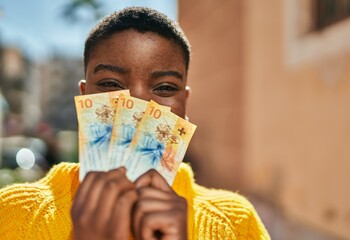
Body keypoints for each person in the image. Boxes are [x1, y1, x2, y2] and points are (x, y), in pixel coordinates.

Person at [0, 7, 270, 240]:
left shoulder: (235, 223)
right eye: (110, 84)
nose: (138, 106)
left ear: (185, 105)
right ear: (84, 97)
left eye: (164, 87)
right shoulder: (13, 215)